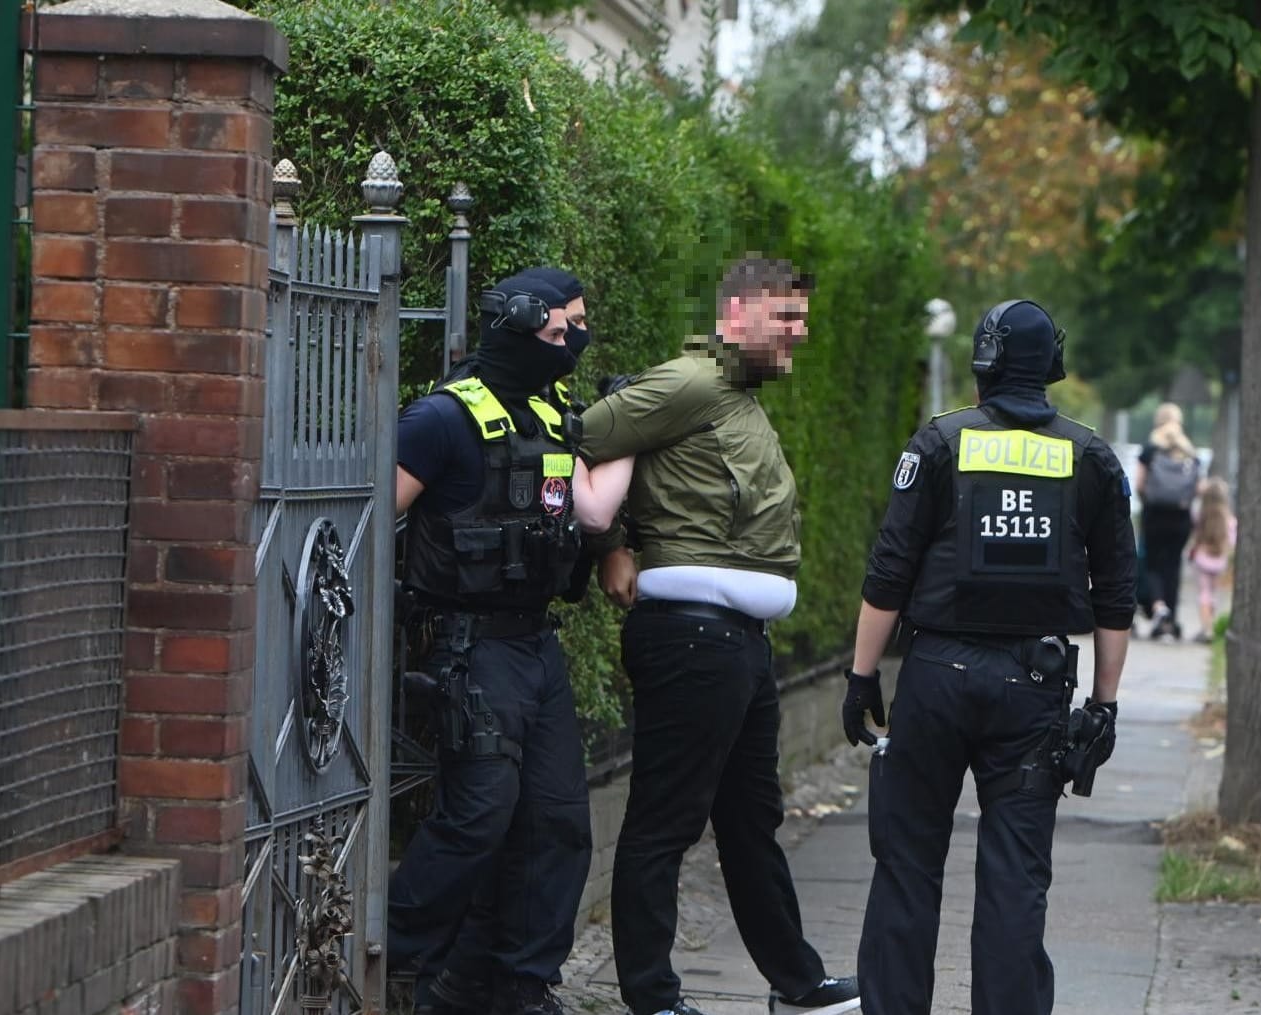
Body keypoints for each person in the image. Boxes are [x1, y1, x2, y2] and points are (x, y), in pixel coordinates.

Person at [576, 256, 860, 1015]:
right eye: (786, 319)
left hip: (737, 644)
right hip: (692, 639)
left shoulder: (734, 397)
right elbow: (584, 438)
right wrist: (611, 544)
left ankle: (797, 982)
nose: (797, 337)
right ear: (739, 313)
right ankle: (652, 998)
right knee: (663, 822)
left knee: (749, 820)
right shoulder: (691, 382)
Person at [842, 299, 1136, 1015]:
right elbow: (1117, 595)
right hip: (1034, 689)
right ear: (1052, 370)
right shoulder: (1092, 457)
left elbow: (889, 573)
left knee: (908, 863)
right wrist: (1103, 703)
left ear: (983, 364)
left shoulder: (938, 444)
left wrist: (860, 675)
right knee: (1015, 878)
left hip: (937, 676)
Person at [388, 271, 595, 1015]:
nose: (577, 338)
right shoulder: (442, 418)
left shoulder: (550, 413)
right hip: (470, 644)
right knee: (479, 814)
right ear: (520, 322)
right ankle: (390, 957)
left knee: (559, 820)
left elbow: (581, 515)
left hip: (537, 643)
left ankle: (515, 984)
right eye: (565, 324)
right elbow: (371, 523)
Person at [1136, 402, 1201, 641]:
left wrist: (1148, 501)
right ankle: (1171, 620)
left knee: (1152, 563)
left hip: (1154, 514)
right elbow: (1196, 487)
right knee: (1173, 566)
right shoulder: (1189, 451)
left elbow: (1140, 484)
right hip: (1181, 517)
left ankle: (1158, 608)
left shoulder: (1151, 449)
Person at [1187, 476, 1237, 643]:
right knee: (1214, 595)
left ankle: (1206, 628)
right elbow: (1232, 540)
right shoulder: (1228, 520)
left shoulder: (1200, 514)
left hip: (1202, 558)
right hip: (1220, 560)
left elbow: (1194, 531)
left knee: (1203, 594)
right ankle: (1211, 625)